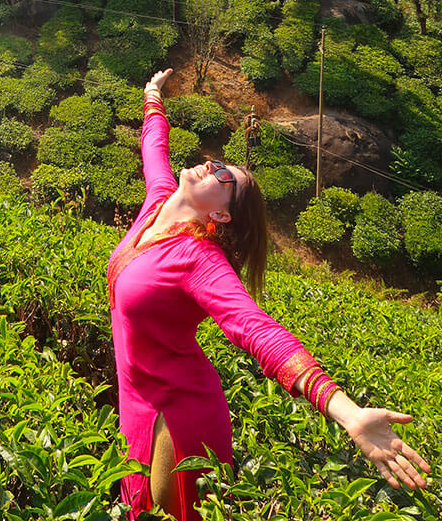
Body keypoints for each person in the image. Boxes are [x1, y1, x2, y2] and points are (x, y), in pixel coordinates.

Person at [108, 68, 430, 520]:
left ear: (220, 214)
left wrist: (347, 411)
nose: (211, 164)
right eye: (218, 163)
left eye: (224, 175)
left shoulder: (200, 260)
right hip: (136, 397)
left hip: (177, 415)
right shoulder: (159, 202)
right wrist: (152, 96)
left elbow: (259, 331)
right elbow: (154, 148)